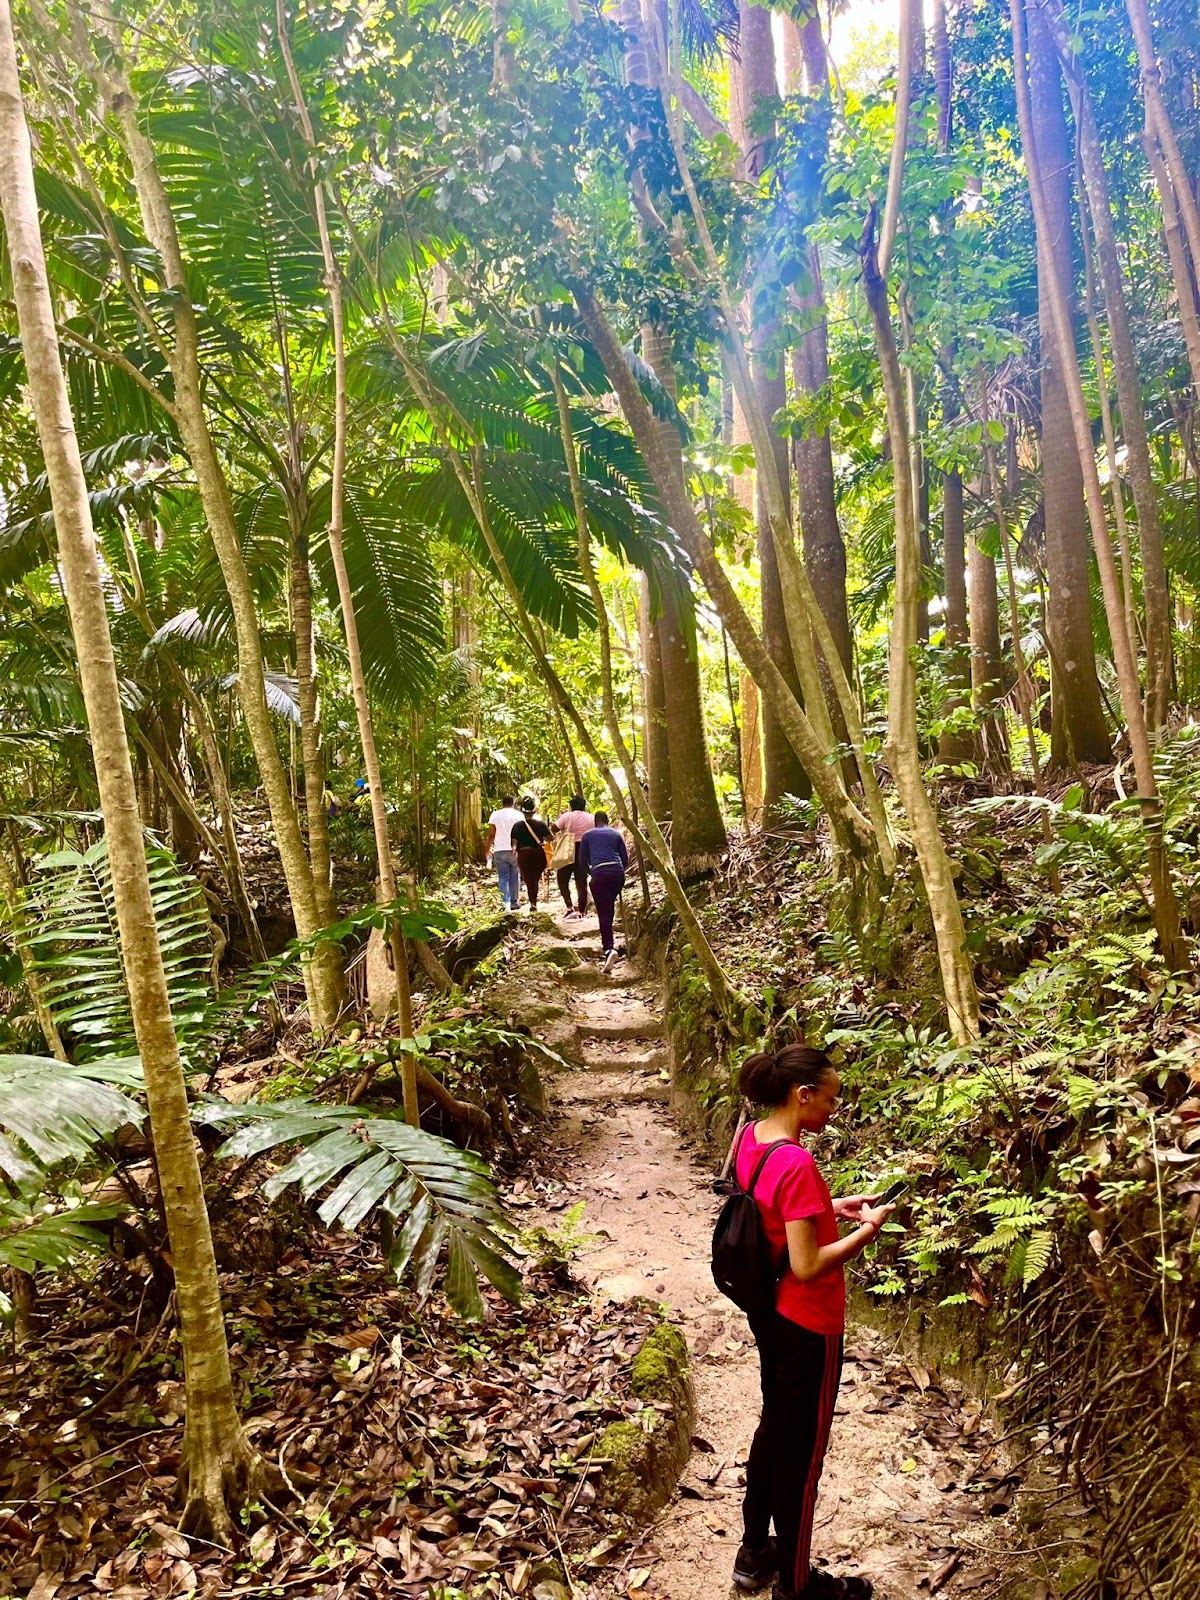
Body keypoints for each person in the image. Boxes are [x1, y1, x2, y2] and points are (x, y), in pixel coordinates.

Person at [731, 1045, 894, 1600]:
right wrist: (865, 1232)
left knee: (773, 1429)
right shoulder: (799, 1162)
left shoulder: (754, 1137)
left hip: (770, 1314)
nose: (834, 1108)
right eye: (831, 1098)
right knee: (803, 1459)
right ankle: (798, 1587)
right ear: (803, 1096)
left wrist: (836, 1207)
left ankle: (755, 1553)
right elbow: (807, 1262)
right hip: (809, 1322)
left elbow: (779, 1212)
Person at [577, 809, 627, 969]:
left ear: (595, 822)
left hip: (599, 873)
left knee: (604, 912)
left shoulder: (588, 835)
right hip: (617, 872)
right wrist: (618, 871)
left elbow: (582, 861)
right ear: (608, 821)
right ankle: (610, 945)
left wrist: (592, 872)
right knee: (608, 907)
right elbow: (624, 858)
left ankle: (608, 949)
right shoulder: (616, 834)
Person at [552, 794, 595, 918]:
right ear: (584, 806)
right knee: (581, 880)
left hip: (568, 849)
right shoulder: (591, 818)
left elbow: (554, 828)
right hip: (585, 849)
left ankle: (569, 907)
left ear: (571, 806)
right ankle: (582, 911)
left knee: (562, 879)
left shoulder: (567, 816)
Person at [486, 794, 525, 912]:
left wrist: (487, 849)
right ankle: (514, 902)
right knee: (515, 876)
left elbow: (492, 834)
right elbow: (522, 832)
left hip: (500, 849)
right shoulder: (519, 815)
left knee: (503, 877)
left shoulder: (495, 815)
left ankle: (505, 902)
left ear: (502, 803)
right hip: (514, 849)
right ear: (512, 803)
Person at [511, 796, 552, 910]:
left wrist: (514, 850)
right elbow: (550, 838)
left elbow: (514, 842)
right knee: (536, 878)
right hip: (538, 854)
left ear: (522, 812)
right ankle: (534, 900)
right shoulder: (540, 824)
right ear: (534, 811)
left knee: (529, 879)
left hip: (524, 855)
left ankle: (533, 903)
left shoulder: (517, 826)